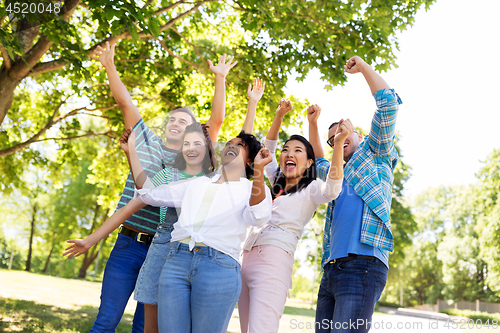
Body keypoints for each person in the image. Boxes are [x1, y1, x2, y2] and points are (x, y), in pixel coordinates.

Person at [85, 41, 236, 333]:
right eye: (173, 119)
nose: (176, 123)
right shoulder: (145, 143)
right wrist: (109, 66)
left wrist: (220, 78)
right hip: (128, 243)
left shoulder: (193, 162)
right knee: (105, 323)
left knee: (145, 328)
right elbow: (126, 103)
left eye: (185, 121)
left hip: (164, 247)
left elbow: (216, 120)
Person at [133, 130, 273, 333]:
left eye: (239, 145)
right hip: (176, 262)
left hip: (218, 266)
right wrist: (131, 152)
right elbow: (149, 194)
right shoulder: (197, 183)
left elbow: (258, 216)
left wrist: (259, 170)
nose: (231, 146)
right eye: (229, 143)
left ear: (250, 160)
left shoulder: (252, 187)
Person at [308, 56, 402, 333]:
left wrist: (363, 68)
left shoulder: (376, 154)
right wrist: (313, 124)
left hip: (363, 265)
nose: (338, 137)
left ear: (358, 133)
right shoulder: (335, 174)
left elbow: (388, 104)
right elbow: (319, 160)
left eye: (342, 130)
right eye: (333, 137)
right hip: (331, 269)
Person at [238, 99, 348, 333]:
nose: (289, 153)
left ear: (309, 162)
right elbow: (267, 147)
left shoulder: (312, 189)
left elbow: (333, 189)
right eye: (286, 150)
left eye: (297, 151)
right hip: (245, 258)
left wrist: (337, 145)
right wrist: (278, 116)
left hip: (273, 261)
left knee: (262, 329)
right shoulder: (276, 180)